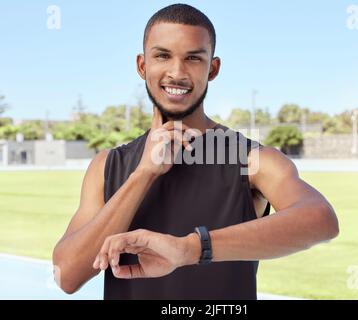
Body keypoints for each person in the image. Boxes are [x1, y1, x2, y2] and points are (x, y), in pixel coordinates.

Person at [53, 3, 339, 300]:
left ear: (212, 69)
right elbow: (67, 275)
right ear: (142, 65)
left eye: (193, 58)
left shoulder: (251, 160)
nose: (177, 72)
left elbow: (320, 219)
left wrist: (190, 249)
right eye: (162, 55)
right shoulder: (107, 165)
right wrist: (143, 174)